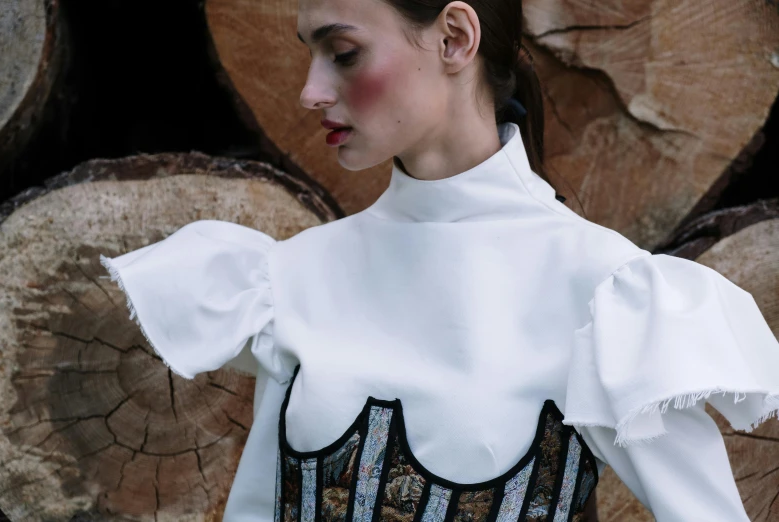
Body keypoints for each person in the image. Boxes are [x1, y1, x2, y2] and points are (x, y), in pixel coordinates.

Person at [99, 0, 779, 520]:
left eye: (341, 53)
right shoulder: (293, 276)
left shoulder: (602, 290)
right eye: (310, 55)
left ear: (454, 38)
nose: (309, 91)